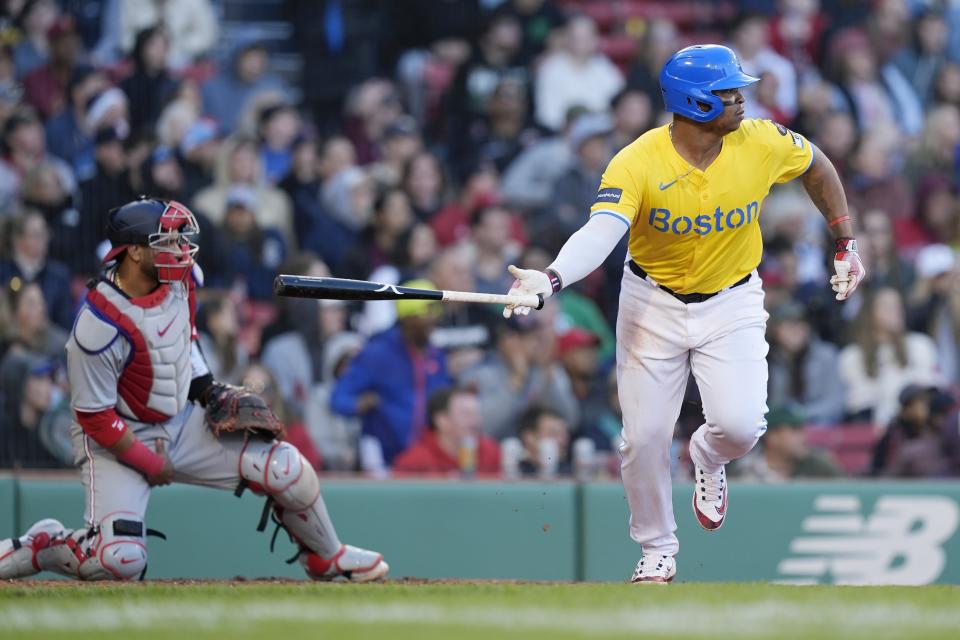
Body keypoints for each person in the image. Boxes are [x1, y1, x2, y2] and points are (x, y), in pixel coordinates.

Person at [501, 45, 865, 583]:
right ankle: (656, 549)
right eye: (727, 92)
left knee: (741, 428)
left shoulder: (761, 140)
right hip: (652, 302)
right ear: (694, 103)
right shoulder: (637, 160)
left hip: (732, 296)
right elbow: (603, 230)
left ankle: (708, 456)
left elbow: (817, 165)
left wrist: (844, 241)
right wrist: (551, 277)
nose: (741, 100)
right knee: (643, 438)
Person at [0, 197, 388, 583]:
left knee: (286, 468)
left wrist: (208, 391)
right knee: (117, 560)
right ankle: (44, 545)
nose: (180, 249)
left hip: (181, 418)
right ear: (134, 251)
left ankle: (327, 557)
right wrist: (149, 463)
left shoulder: (180, 277)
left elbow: (184, 338)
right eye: (166, 241)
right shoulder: (96, 325)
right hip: (120, 433)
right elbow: (94, 417)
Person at [331, 280, 452, 467]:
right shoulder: (376, 353)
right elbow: (338, 399)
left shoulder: (436, 356)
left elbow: (441, 403)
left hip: (425, 460)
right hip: (382, 461)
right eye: (427, 311)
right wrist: (361, 404)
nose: (434, 319)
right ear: (408, 316)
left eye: (436, 311)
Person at [393, 386, 501, 476]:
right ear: (442, 420)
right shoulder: (415, 462)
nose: (475, 421)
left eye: (476, 414)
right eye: (466, 414)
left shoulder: (491, 452)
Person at [730, 405, 843, 482]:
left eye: (803, 429)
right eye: (795, 429)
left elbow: (849, 494)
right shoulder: (742, 469)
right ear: (772, 437)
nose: (804, 437)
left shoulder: (819, 466)